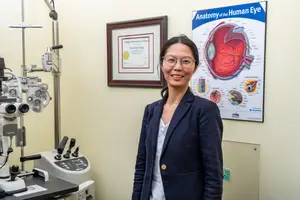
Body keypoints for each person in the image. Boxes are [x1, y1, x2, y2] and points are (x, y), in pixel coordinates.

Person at [132, 34, 223, 200]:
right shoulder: (151, 110)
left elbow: (214, 177)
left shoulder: (205, 111)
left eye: (186, 61)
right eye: (171, 60)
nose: (178, 67)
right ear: (162, 64)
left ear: (194, 67)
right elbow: (141, 166)